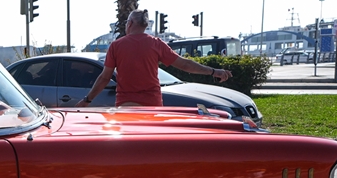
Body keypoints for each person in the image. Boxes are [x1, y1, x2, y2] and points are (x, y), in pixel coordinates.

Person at [77, 10, 230, 107]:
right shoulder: (156, 44)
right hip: (153, 105)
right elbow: (185, 65)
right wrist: (213, 71)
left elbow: (105, 78)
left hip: (126, 104)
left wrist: (87, 100)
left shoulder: (116, 46)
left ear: (130, 24)